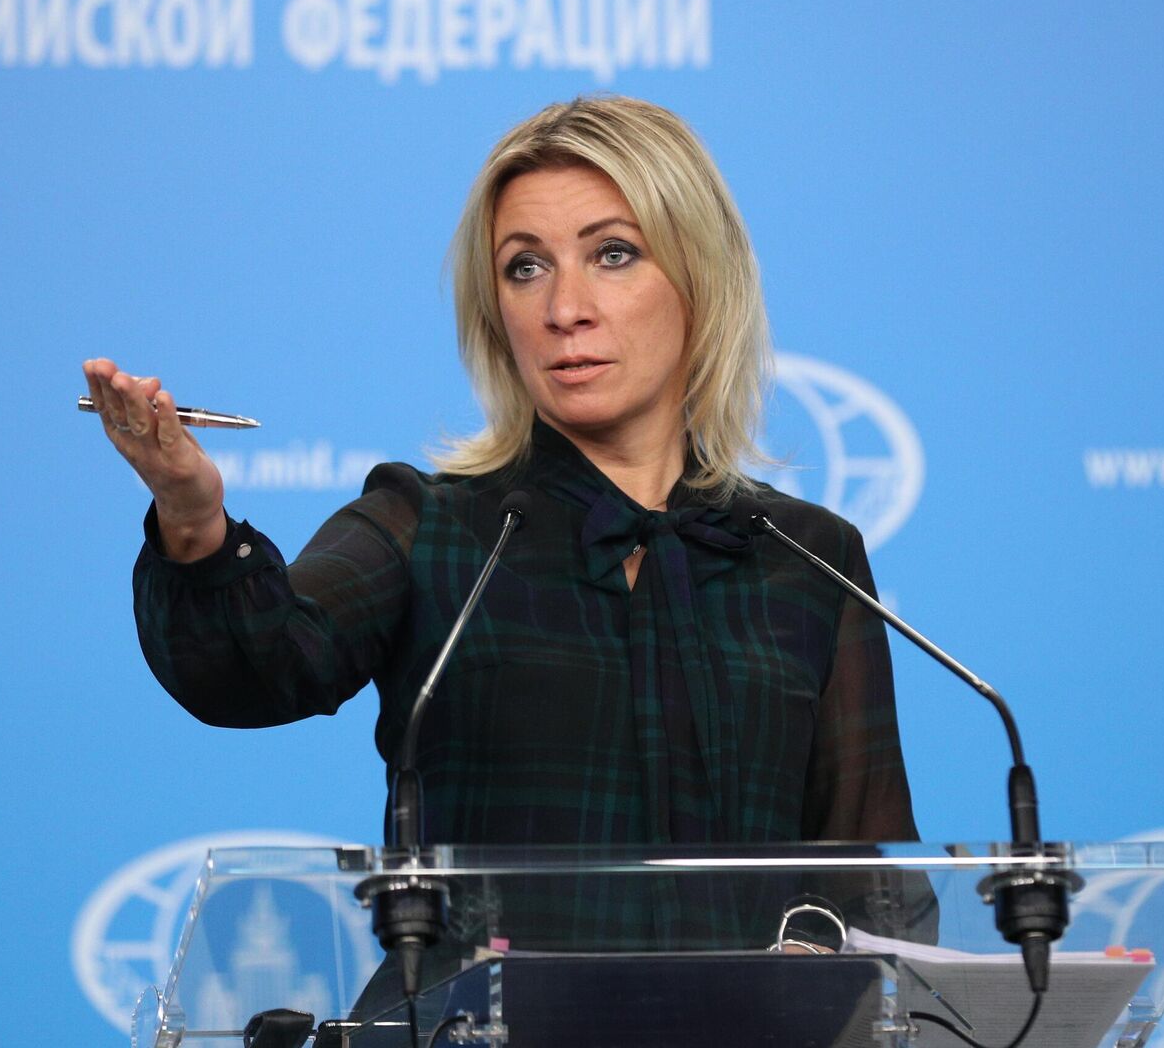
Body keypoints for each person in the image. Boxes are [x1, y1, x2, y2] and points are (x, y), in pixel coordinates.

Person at [85, 97, 919, 868]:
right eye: (526, 267)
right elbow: (255, 668)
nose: (565, 308)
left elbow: (873, 882)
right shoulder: (426, 525)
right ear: (495, 312)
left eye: (613, 254)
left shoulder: (811, 558)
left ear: (701, 278)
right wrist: (192, 518)